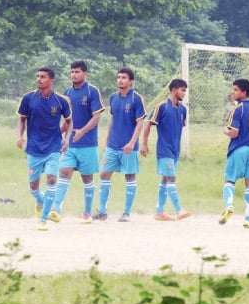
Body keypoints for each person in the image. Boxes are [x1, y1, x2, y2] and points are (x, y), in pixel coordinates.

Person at [15, 67, 72, 231]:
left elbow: (69, 122)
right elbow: (21, 120)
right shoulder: (28, 98)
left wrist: (66, 139)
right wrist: (20, 136)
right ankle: (40, 200)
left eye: (43, 77)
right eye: (38, 76)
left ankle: (44, 218)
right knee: (33, 187)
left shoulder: (61, 100)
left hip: (54, 147)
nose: (39, 79)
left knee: (52, 178)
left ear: (51, 81)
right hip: (33, 148)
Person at [48, 60, 105, 224]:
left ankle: (87, 213)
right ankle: (55, 209)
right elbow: (67, 120)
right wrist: (56, 134)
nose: (74, 75)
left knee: (87, 178)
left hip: (88, 143)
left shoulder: (92, 91)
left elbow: (97, 117)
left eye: (77, 72)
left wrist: (82, 131)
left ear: (85, 73)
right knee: (64, 172)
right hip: (70, 144)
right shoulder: (67, 93)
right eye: (72, 72)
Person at [93, 67, 147, 223]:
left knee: (129, 176)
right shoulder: (113, 97)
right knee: (104, 174)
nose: (120, 80)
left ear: (131, 81)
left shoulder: (136, 99)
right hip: (112, 145)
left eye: (123, 77)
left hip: (128, 147)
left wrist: (132, 143)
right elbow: (112, 120)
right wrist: (106, 141)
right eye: (118, 77)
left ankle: (126, 213)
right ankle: (102, 211)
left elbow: (140, 123)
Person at [140, 79, 192, 222]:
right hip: (164, 150)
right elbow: (149, 123)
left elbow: (178, 127)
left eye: (185, 91)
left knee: (165, 179)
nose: (184, 93)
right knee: (171, 178)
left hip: (175, 151)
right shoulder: (161, 106)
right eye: (182, 90)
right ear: (174, 90)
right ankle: (179, 209)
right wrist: (144, 144)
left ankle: (159, 212)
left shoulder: (182, 110)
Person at [219, 78, 249, 229]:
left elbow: (234, 133)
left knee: (229, 180)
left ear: (243, 92)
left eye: (235, 90)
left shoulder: (237, 109)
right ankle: (248, 218)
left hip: (238, 149)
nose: (233, 93)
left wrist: (225, 130)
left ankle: (229, 205)